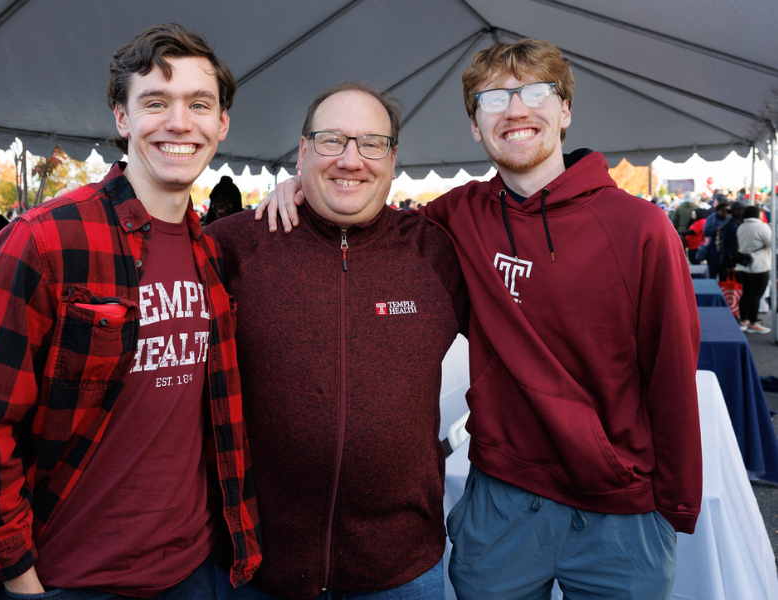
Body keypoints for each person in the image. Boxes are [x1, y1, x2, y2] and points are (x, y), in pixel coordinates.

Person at [261, 38, 701, 600]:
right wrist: (301, 184)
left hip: (618, 513)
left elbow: (672, 377)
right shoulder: (456, 216)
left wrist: (674, 508)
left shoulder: (640, 228)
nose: (516, 110)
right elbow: (366, 208)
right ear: (475, 125)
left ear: (565, 109)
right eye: (494, 99)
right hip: (502, 502)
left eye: (535, 92)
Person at [0, 22, 261, 599]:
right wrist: (20, 578)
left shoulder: (211, 252)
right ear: (121, 118)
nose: (179, 123)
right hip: (73, 580)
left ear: (221, 124)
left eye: (199, 104)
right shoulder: (44, 242)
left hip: (198, 570)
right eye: (155, 102)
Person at [206, 82, 468, 600]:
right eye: (331, 141)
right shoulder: (233, 245)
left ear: (393, 159)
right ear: (302, 151)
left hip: (402, 569)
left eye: (372, 143)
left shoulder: (435, 252)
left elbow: (521, 346)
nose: (352, 160)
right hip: (256, 568)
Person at [736, 204, 772, 334]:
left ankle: (744, 320)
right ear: (757, 214)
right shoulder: (762, 227)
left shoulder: (741, 226)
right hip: (759, 265)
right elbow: (771, 243)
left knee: (746, 294)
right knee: (756, 295)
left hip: (743, 266)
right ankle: (753, 322)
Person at [703, 200, 731, 279]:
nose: (726, 213)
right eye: (723, 211)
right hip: (713, 248)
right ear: (719, 210)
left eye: (728, 211)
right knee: (713, 271)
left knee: (723, 273)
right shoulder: (712, 218)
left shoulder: (729, 218)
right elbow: (706, 231)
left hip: (725, 249)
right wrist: (718, 229)